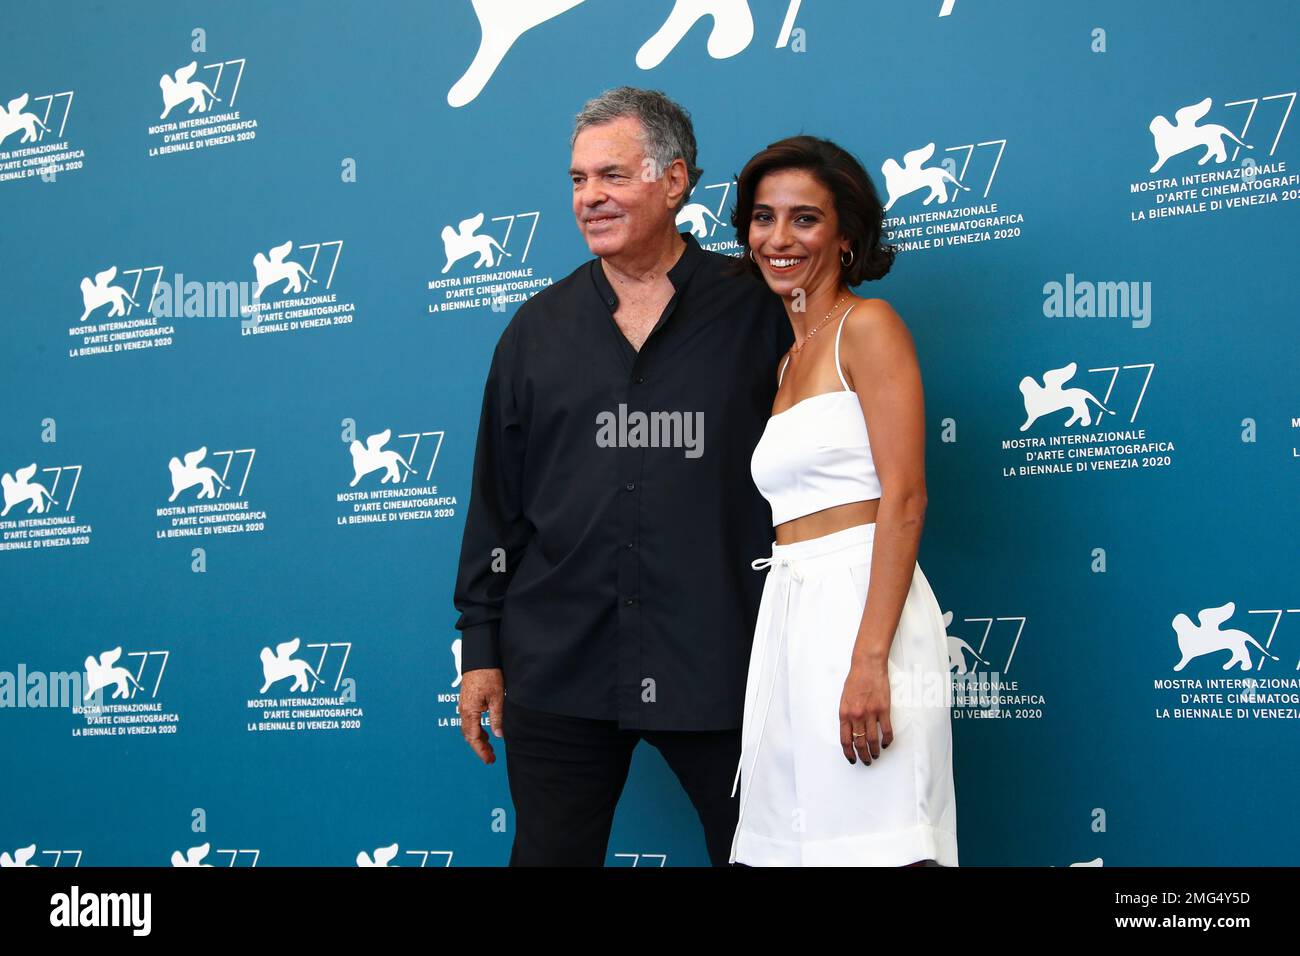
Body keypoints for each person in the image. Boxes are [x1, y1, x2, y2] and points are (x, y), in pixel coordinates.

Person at [451, 87, 793, 866]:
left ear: (674, 181)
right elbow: (496, 507)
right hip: (560, 663)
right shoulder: (534, 331)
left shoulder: (757, 310)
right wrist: (482, 649)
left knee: (766, 857)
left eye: (611, 175)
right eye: (577, 180)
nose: (589, 197)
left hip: (723, 657)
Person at [727, 135, 959, 867]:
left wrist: (870, 662)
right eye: (763, 218)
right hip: (790, 616)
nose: (778, 238)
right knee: (795, 847)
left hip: (866, 613)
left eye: (805, 219)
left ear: (847, 236)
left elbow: (908, 497)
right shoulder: (789, 356)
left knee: (879, 840)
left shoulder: (870, 327)